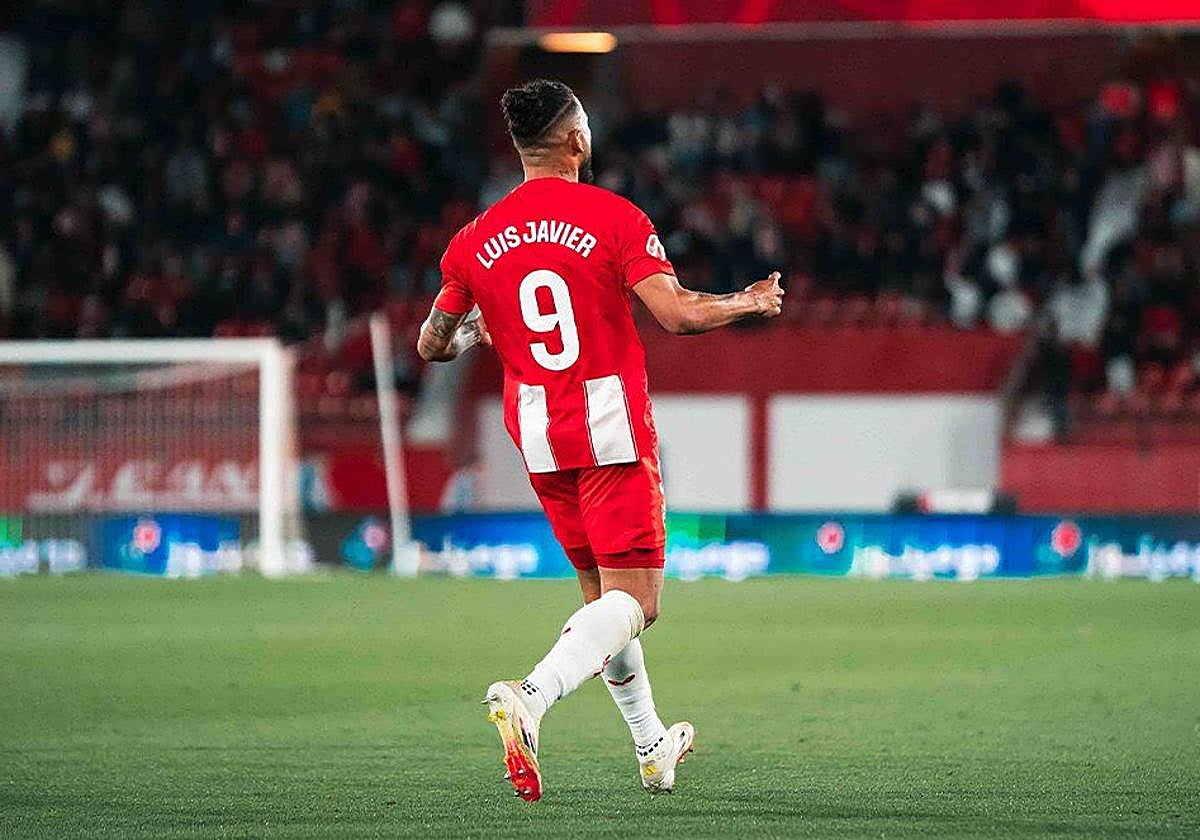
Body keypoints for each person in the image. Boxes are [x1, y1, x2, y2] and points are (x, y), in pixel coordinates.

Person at [416, 78, 784, 802]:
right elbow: (674, 315)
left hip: (540, 437)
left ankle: (652, 747)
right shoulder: (615, 219)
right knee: (638, 604)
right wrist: (748, 300)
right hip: (610, 429)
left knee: (604, 610)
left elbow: (432, 343)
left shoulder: (473, 240)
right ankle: (531, 695)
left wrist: (477, 334)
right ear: (577, 141)